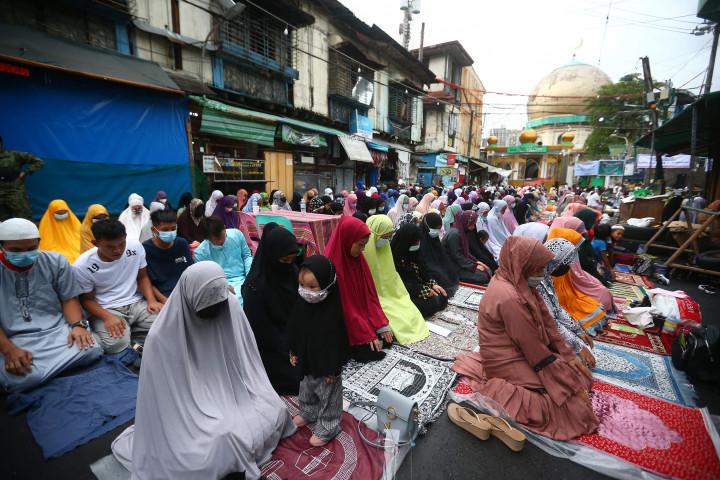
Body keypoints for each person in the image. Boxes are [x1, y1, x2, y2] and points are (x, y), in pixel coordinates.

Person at [111, 262, 296, 480]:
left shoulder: (229, 307)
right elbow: (167, 401)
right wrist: (211, 411)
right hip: (189, 410)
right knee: (216, 447)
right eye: (206, 307)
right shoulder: (162, 338)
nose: (215, 312)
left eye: (218, 304)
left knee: (274, 408)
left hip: (234, 391)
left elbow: (247, 363)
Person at [452, 236, 598, 440]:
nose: (541, 275)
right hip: (507, 358)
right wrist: (565, 379)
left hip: (519, 347)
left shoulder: (517, 280)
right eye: (538, 270)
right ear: (523, 265)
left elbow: (547, 320)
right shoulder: (509, 296)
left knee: (576, 374)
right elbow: (533, 348)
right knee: (570, 407)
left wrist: (568, 354)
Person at [0, 218, 101, 393]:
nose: (25, 254)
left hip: (56, 332)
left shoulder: (56, 262)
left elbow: (68, 299)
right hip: (13, 339)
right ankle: (53, 372)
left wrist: (77, 326)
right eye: (16, 250)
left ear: (39, 242)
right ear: (2, 246)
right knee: (20, 378)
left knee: (92, 350)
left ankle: (44, 375)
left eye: (31, 249)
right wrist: (9, 350)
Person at [72, 220, 162, 354]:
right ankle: (132, 337)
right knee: (115, 345)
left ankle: (130, 336)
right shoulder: (82, 266)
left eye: (121, 244)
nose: (118, 250)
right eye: (110, 247)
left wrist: (151, 301)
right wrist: (107, 317)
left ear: (125, 236)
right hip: (106, 309)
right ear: (95, 243)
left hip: (136, 304)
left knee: (166, 325)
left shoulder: (136, 248)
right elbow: (86, 300)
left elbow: (142, 277)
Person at [288, 255, 350, 447]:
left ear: (327, 285)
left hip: (326, 367)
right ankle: (308, 412)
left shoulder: (333, 312)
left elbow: (337, 342)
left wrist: (334, 368)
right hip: (307, 361)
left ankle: (328, 425)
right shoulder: (302, 305)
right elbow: (295, 330)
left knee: (328, 395)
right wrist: (294, 352)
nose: (306, 292)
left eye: (313, 287)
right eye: (302, 285)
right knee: (306, 389)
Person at [241, 224, 301, 395]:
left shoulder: (292, 271)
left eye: (292, 260)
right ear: (271, 255)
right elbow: (263, 335)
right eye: (284, 260)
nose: (289, 265)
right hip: (272, 345)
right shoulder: (254, 287)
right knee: (299, 379)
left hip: (294, 334)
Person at [323, 216, 392, 362]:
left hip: (360, 318)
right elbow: (345, 308)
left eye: (365, 245)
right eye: (360, 244)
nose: (363, 249)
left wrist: (379, 324)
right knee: (367, 351)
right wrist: (365, 333)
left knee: (387, 336)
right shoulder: (330, 266)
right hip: (342, 323)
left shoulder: (359, 260)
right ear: (347, 239)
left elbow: (370, 295)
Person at [363, 216, 430, 343]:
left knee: (409, 309)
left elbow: (393, 279)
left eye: (388, 237)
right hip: (373, 301)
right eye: (384, 237)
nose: (386, 241)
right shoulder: (362, 251)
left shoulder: (385, 248)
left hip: (392, 295)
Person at [539, 238, 596, 370]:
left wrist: (577, 330)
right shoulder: (537, 280)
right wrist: (577, 345)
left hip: (550, 326)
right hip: (540, 330)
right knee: (577, 363)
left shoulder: (546, 276)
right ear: (556, 262)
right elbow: (549, 320)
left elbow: (557, 308)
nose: (567, 268)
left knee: (584, 347)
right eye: (565, 263)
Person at [549, 218, 617, 317]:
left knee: (601, 290)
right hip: (570, 291)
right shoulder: (559, 252)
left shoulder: (568, 247)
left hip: (578, 281)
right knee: (599, 294)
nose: (583, 231)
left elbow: (579, 272)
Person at [546, 228, 608, 335]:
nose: (578, 251)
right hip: (557, 304)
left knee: (594, 307)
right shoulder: (551, 267)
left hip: (567, 298)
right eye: (576, 248)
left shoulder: (562, 263)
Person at [391, 223, 448, 318]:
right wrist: (421, 290)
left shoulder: (416, 253)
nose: (417, 244)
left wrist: (432, 284)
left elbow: (424, 272)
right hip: (404, 293)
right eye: (415, 242)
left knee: (441, 293)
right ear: (406, 242)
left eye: (418, 241)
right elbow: (396, 284)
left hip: (419, 287)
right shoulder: (395, 257)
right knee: (428, 303)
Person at [194, 216, 253, 305]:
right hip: (223, 285)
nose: (220, 241)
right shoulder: (201, 253)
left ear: (224, 228)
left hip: (245, 278)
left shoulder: (237, 234)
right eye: (215, 240)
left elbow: (247, 256)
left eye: (221, 237)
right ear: (206, 239)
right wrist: (222, 287)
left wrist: (250, 275)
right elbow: (205, 280)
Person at [142, 209, 193, 304]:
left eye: (173, 229)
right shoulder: (145, 249)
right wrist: (164, 301)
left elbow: (191, 272)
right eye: (165, 230)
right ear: (154, 230)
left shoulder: (182, 244)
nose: (170, 232)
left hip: (186, 291)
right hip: (163, 295)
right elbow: (146, 282)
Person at [0, 136, 45, 221]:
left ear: (0, 144)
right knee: (2, 222)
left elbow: (39, 162)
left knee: (24, 218)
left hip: (15, 192)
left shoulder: (14, 155)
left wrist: (25, 172)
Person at [443, 210, 490, 286]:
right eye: (472, 225)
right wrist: (474, 266)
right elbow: (457, 256)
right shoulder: (454, 234)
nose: (473, 227)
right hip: (452, 266)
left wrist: (476, 261)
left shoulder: (461, 231)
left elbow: (465, 251)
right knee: (483, 276)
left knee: (487, 270)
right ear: (466, 222)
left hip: (459, 263)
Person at [419, 212, 459, 297]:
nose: (437, 232)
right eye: (435, 228)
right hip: (428, 270)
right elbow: (423, 263)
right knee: (440, 276)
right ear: (427, 227)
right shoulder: (419, 241)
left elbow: (442, 257)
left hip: (436, 266)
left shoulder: (435, 239)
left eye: (439, 229)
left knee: (450, 271)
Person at [38, 199, 82, 264]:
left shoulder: (73, 221)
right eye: (58, 213)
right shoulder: (45, 224)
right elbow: (45, 242)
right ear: (51, 212)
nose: (62, 215)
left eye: (64, 212)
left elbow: (80, 236)